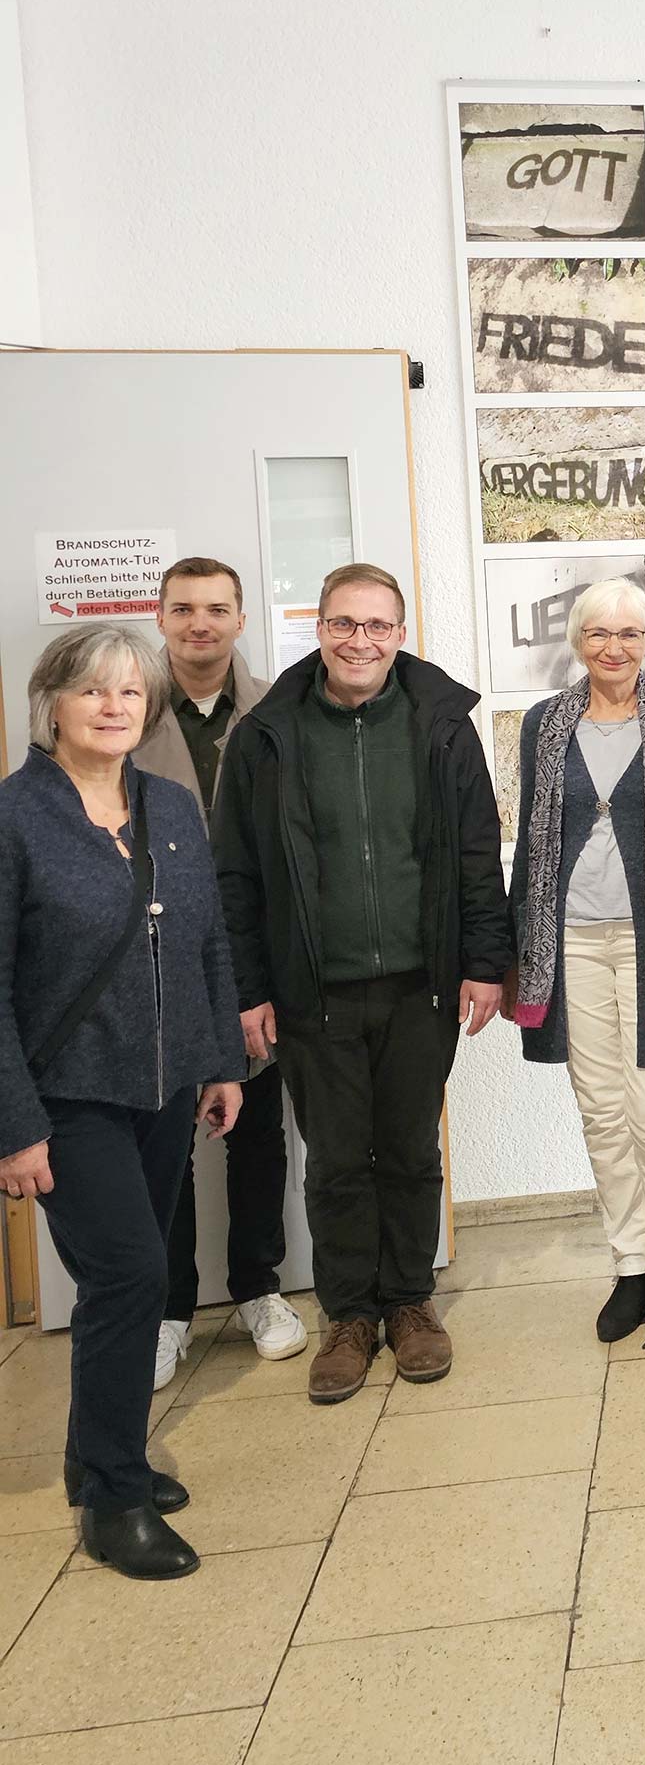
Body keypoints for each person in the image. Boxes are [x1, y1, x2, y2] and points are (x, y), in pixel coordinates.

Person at [214, 562, 509, 1406]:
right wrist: (249, 986)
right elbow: (235, 872)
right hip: (313, 989)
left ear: (401, 633)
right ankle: (349, 1315)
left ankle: (410, 1302)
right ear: (320, 628)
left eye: (378, 626)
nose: (361, 641)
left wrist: (484, 963)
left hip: (422, 982)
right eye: (345, 624)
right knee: (337, 1158)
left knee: (412, 1148)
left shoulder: (441, 724)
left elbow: (475, 852)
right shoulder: (268, 733)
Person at [0, 626, 243, 1579]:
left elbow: (208, 944)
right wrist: (16, 1126)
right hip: (69, 1095)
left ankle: (97, 1449)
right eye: (93, 690)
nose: (114, 706)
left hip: (165, 1086)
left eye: (130, 692)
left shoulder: (171, 804)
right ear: (50, 703)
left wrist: (218, 1061)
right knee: (132, 1275)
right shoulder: (17, 818)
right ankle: (111, 1493)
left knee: (128, 1277)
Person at [509, 577, 645, 1346]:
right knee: (600, 1105)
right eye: (599, 633)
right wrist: (517, 940)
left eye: (630, 634)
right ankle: (632, 1264)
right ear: (577, 641)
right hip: (571, 939)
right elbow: (531, 833)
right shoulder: (545, 723)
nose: (613, 648)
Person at [137, 556, 302, 1384]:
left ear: (241, 618)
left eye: (216, 609)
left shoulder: (279, 708)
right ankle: (167, 1309)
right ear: (159, 618)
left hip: (248, 946)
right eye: (183, 610)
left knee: (259, 1130)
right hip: (151, 955)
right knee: (164, 1133)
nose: (200, 624)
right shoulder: (121, 704)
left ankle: (258, 1287)